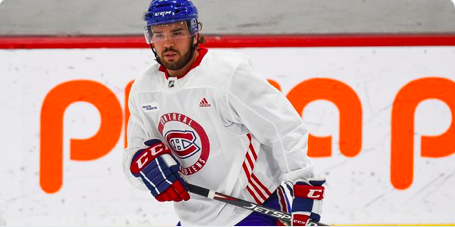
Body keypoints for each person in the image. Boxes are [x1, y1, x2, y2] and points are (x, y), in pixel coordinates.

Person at [123, 0, 326, 225]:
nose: (168, 42)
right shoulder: (144, 88)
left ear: (194, 32)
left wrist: (303, 185)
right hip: (193, 218)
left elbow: (283, 127)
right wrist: (144, 169)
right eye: (159, 34)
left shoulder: (228, 74)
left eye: (177, 32)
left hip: (251, 209)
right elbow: (134, 153)